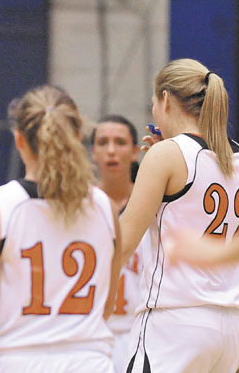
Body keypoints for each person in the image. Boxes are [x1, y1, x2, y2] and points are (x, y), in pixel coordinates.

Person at [0, 85, 120, 373]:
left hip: (15, 361)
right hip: (90, 362)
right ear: (78, 136)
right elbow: (107, 303)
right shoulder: (106, 208)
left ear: (19, 140)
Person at [118, 59, 239, 372]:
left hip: (176, 324)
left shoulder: (166, 155)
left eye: (153, 104)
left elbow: (121, 243)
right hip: (233, 329)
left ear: (166, 99)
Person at [90, 115, 143, 373]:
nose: (111, 150)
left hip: (141, 331)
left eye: (120, 142)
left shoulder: (151, 202)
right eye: (103, 142)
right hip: (93, 331)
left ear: (135, 151)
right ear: (93, 152)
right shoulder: (81, 205)